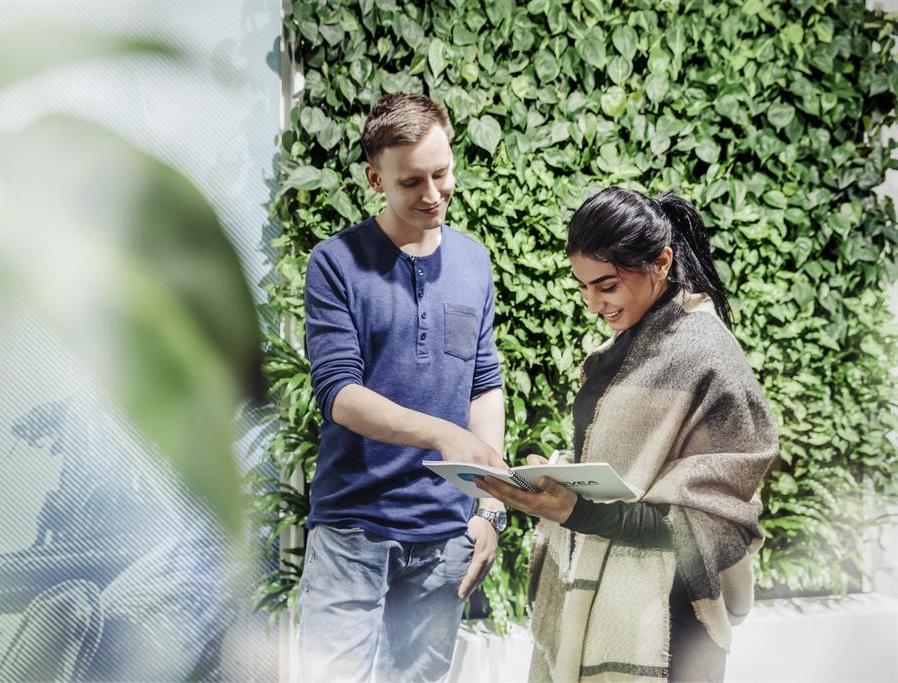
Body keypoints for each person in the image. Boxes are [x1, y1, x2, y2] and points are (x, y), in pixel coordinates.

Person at [475, 187, 777, 683]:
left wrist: (573, 509)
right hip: (603, 600)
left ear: (660, 262)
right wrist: (558, 475)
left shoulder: (706, 354)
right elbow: (623, 469)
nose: (594, 303)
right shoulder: (626, 348)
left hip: (669, 624)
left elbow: (717, 522)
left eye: (607, 286)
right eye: (583, 287)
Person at [298, 93, 509, 683]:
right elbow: (339, 392)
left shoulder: (474, 263)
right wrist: (442, 435)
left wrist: (489, 508)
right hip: (351, 532)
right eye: (412, 181)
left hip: (445, 538)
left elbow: (484, 384)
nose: (434, 193)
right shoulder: (336, 263)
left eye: (442, 173)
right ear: (375, 178)